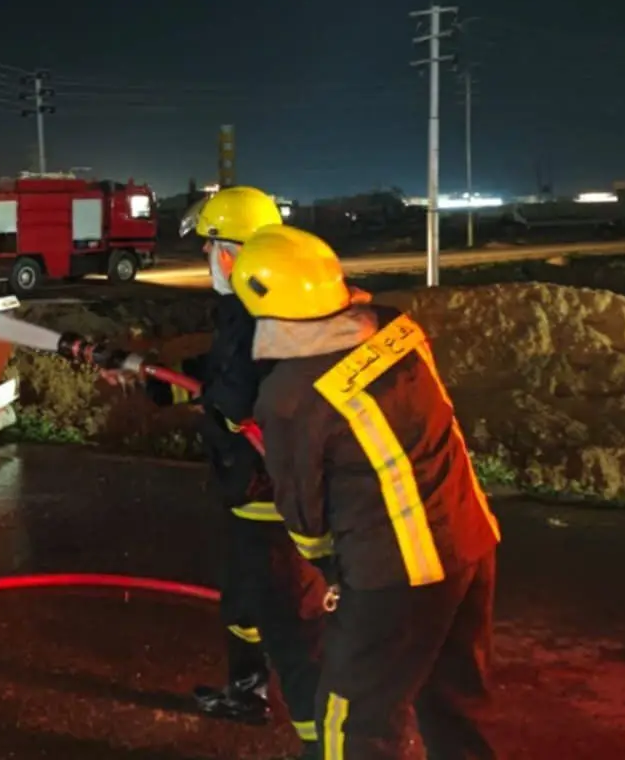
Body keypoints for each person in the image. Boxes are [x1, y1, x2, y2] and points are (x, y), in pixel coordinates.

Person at [231, 224, 502, 760]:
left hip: (397, 575)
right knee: (454, 701)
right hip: (471, 540)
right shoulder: (400, 329)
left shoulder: (288, 397)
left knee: (351, 720)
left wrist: (332, 575)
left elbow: (306, 520)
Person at [175, 187, 325, 757]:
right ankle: (246, 691)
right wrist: (172, 380)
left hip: (271, 492)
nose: (208, 258)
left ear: (234, 251)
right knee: (242, 602)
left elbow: (236, 397)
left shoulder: (261, 309)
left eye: (211, 246)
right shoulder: (245, 306)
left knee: (289, 624)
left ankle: (323, 744)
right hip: (250, 487)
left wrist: (207, 396)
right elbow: (223, 375)